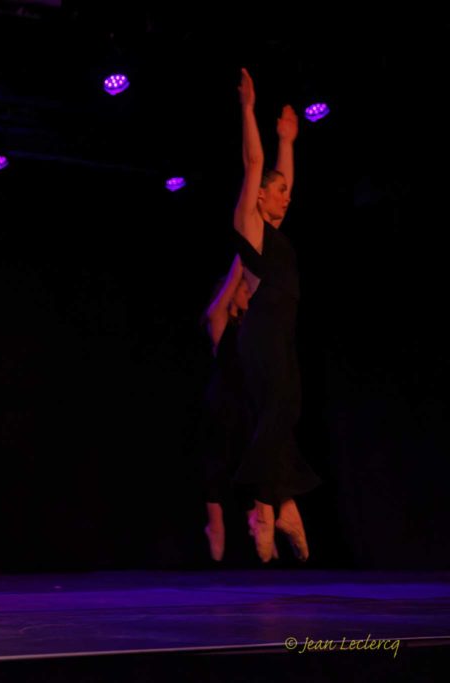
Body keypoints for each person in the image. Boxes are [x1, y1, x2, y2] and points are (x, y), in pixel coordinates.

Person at [231, 68, 319, 562]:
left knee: (286, 411)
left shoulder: (278, 232)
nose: (287, 194)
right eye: (278, 190)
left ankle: (284, 505)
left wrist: (288, 140)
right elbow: (254, 163)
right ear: (260, 196)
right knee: (279, 407)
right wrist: (248, 110)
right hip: (261, 332)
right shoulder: (250, 225)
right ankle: (264, 508)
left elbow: (283, 179)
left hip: (280, 333)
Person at [199, 255, 253, 561]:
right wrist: (241, 258)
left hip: (246, 402)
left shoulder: (251, 325)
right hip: (222, 401)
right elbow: (224, 296)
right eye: (244, 290)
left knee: (250, 461)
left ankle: (255, 519)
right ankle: (216, 525)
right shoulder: (221, 320)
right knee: (218, 462)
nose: (248, 293)